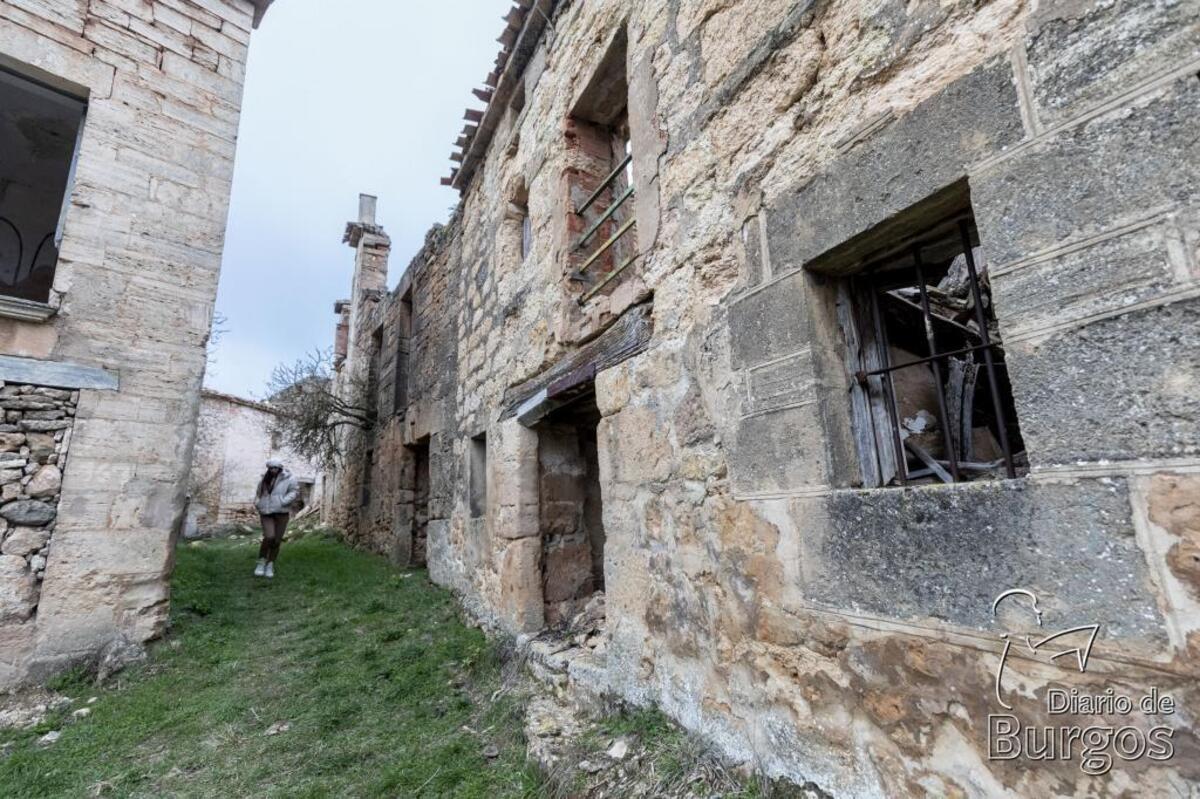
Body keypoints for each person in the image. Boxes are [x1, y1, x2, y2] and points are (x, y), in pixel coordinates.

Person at [253, 459, 299, 579]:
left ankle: (270, 564)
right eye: (271, 468)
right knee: (269, 536)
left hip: (281, 513)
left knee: (277, 540)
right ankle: (261, 562)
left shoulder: (290, 479)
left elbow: (294, 492)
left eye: (275, 468)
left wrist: (283, 502)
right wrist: (258, 503)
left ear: (280, 468)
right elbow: (258, 494)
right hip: (266, 512)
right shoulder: (264, 479)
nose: (273, 470)